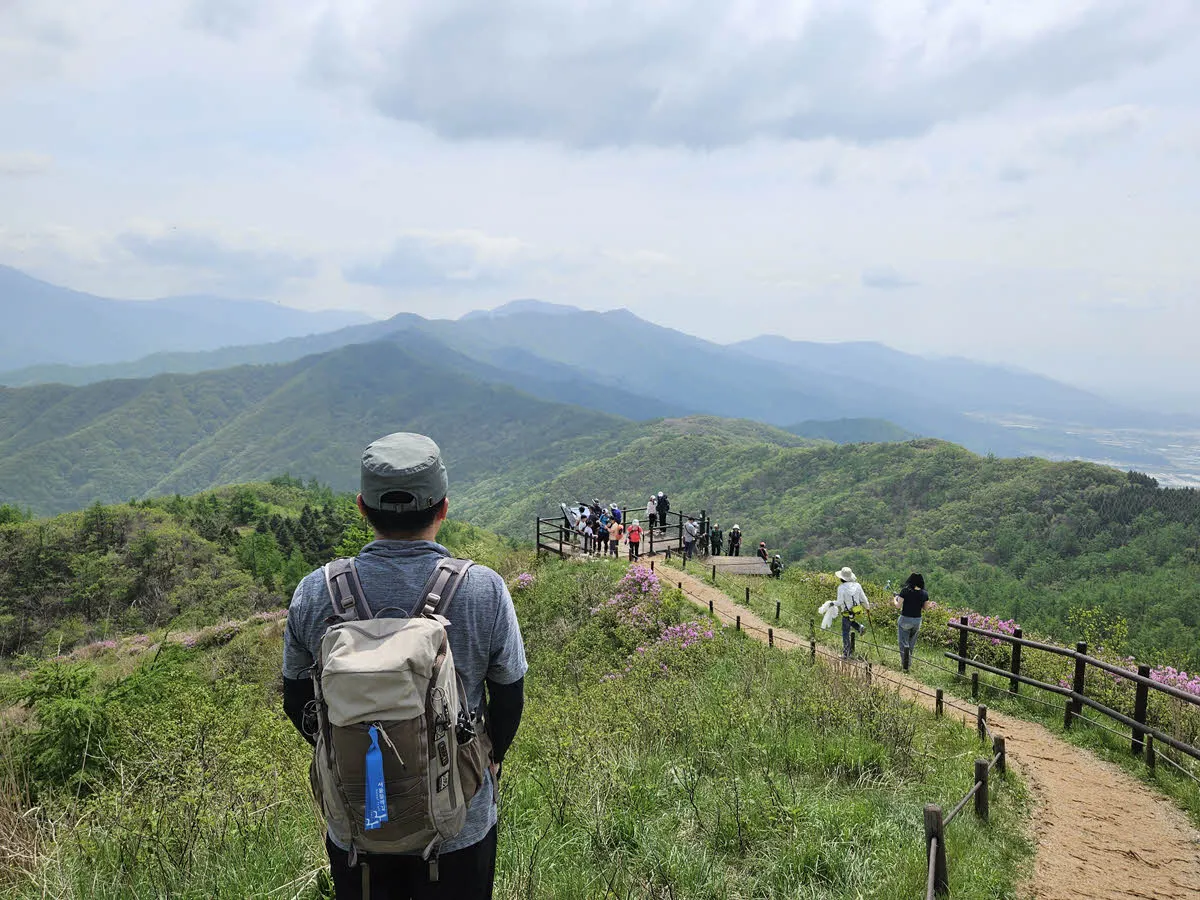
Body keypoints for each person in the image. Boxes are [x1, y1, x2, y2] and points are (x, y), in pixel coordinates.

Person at [282, 432, 527, 899]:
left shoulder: (315, 592)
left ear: (361, 507)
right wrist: (491, 758)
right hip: (458, 822)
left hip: (356, 824)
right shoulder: (484, 590)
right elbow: (509, 696)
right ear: (444, 508)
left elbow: (296, 701)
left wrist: (355, 747)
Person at [892, 573, 928, 672]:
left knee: (903, 644)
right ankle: (908, 664)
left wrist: (894, 599)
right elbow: (925, 608)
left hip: (905, 619)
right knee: (911, 644)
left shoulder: (905, 591)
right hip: (917, 621)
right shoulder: (924, 593)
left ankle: (906, 666)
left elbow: (898, 606)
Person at [834, 566, 870, 659]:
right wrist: (867, 607)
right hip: (857, 611)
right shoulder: (857, 585)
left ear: (841, 578)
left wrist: (831, 603)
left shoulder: (841, 588)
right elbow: (863, 598)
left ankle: (847, 653)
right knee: (851, 621)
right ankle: (859, 627)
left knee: (845, 632)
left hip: (847, 612)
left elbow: (840, 602)